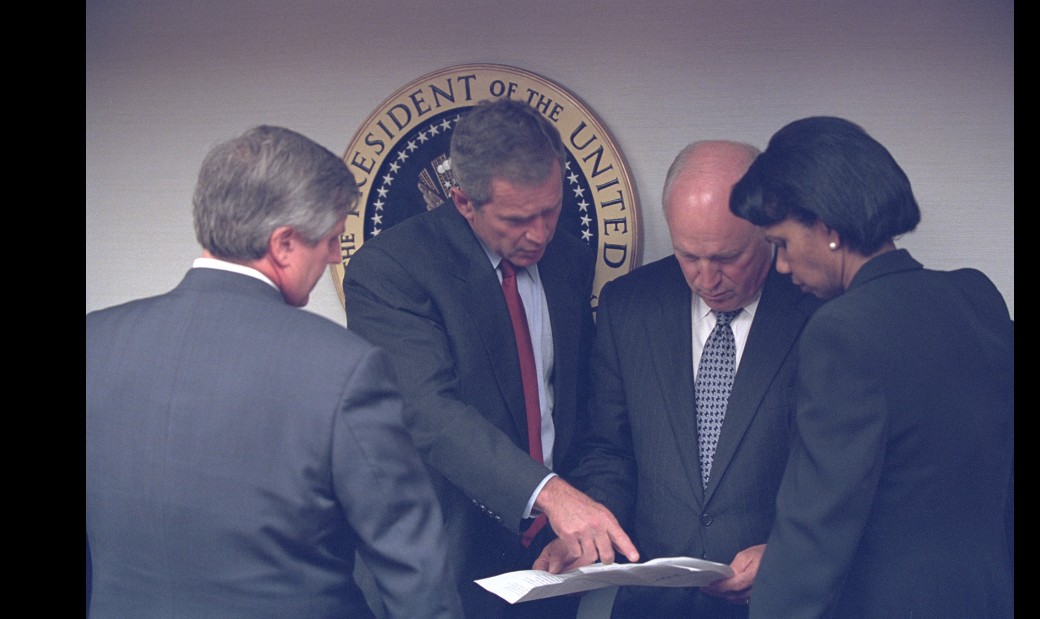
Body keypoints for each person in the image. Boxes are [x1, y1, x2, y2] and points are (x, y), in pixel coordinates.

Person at [86, 125, 463, 618]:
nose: (334, 255)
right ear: (283, 244)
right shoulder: (343, 367)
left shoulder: (97, 341)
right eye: (331, 239)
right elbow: (415, 576)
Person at [342, 98, 638, 618]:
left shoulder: (567, 257)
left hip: (551, 560)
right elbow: (428, 411)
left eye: (551, 210)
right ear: (463, 202)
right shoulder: (389, 270)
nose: (540, 234)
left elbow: (583, 410)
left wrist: (582, 508)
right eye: (519, 219)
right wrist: (551, 495)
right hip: (444, 559)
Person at [729, 116, 1014, 618]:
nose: (782, 266)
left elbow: (816, 527)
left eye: (781, 243)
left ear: (828, 228)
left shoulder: (841, 330)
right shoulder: (978, 296)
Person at [534, 140, 821, 618]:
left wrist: (790, 552)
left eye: (728, 258)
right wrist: (587, 535)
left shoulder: (821, 312)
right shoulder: (629, 305)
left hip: (778, 600)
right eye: (689, 256)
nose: (707, 279)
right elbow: (610, 450)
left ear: (768, 230)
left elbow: (847, 475)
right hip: (654, 604)